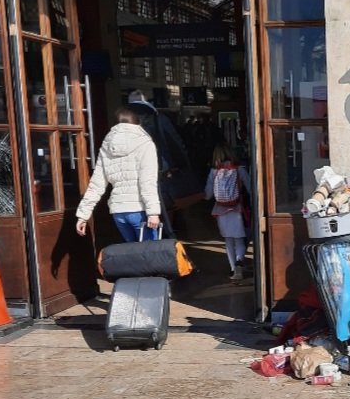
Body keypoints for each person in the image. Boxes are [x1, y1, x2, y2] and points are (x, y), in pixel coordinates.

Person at [75, 107, 161, 242]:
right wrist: (153, 212)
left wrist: (83, 215)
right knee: (150, 256)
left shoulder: (107, 146)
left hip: (118, 211)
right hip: (140, 209)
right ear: (137, 123)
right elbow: (147, 182)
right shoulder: (145, 143)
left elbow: (96, 184)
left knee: (132, 254)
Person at [126, 90, 193, 233]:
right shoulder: (158, 116)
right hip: (159, 167)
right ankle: (165, 232)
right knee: (164, 202)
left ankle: (144, 234)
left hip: (132, 169)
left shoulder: (123, 118)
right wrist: (182, 164)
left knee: (138, 203)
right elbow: (174, 141)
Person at [205, 143, 252, 281]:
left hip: (221, 210)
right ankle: (239, 263)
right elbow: (250, 188)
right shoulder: (239, 170)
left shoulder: (214, 171)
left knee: (228, 241)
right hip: (237, 209)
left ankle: (233, 270)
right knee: (239, 241)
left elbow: (208, 194)